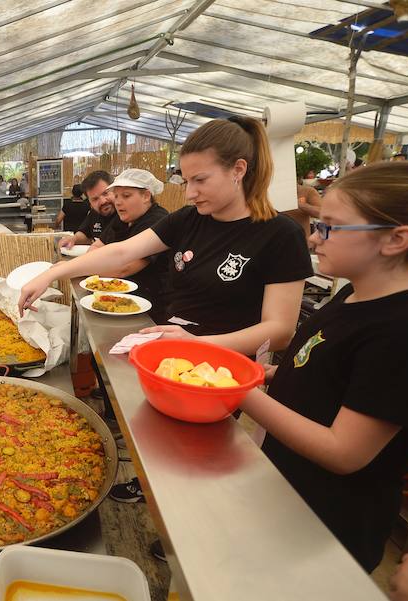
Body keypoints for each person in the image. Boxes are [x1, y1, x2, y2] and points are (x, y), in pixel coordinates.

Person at [20, 116, 312, 509]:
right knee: (164, 447)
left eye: (200, 180)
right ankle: (156, 496)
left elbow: (279, 330)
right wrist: (52, 273)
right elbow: (122, 252)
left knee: (206, 465)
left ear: (238, 170)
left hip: (223, 371)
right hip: (170, 352)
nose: (189, 193)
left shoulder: (280, 235)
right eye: (184, 181)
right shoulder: (190, 220)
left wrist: (199, 343)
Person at [241, 161, 408, 572]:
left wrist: (237, 392)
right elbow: (326, 370)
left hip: (328, 527)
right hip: (285, 492)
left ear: (397, 239)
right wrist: (274, 375)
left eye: (330, 227)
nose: (315, 238)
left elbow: (343, 452)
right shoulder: (354, 293)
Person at [91, 169, 169, 305]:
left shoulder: (158, 220)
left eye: (126, 196)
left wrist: (83, 270)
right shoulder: (124, 217)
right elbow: (97, 246)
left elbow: (124, 268)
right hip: (119, 296)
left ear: (146, 196)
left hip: (150, 305)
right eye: (116, 196)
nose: (118, 202)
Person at [58, 170, 117, 249]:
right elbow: (85, 233)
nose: (103, 201)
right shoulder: (94, 213)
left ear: (115, 190)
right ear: (89, 202)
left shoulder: (126, 215)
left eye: (105, 193)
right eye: (95, 199)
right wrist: (73, 239)